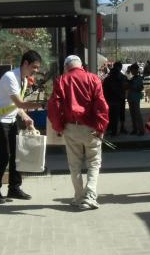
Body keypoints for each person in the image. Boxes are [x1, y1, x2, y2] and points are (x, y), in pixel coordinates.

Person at [47, 55, 109, 210]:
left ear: (67, 66)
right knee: (94, 162)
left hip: (70, 127)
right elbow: (102, 106)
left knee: (74, 164)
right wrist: (101, 127)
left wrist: (59, 127)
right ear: (81, 65)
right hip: (91, 127)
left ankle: (79, 197)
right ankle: (90, 196)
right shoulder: (93, 79)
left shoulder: (61, 80)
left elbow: (54, 106)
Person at [0, 50, 43, 204]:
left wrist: (25, 117)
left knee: (16, 155)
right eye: (34, 67)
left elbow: (16, 107)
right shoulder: (10, 77)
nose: (36, 71)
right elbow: (20, 103)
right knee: (4, 155)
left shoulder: (23, 79)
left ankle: (14, 188)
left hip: (10, 121)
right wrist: (44, 104)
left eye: (37, 68)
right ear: (25, 63)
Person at [102, 61, 128, 137]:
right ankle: (116, 130)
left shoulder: (108, 77)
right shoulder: (122, 77)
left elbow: (104, 88)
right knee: (118, 115)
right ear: (120, 68)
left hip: (109, 99)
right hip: (119, 98)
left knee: (110, 115)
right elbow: (125, 86)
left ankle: (110, 129)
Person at [126, 63, 145, 135]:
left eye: (133, 70)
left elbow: (140, 88)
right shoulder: (132, 78)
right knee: (132, 114)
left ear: (136, 70)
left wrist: (131, 86)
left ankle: (141, 130)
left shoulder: (139, 78)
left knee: (137, 114)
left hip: (135, 97)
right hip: (131, 97)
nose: (132, 71)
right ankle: (135, 129)